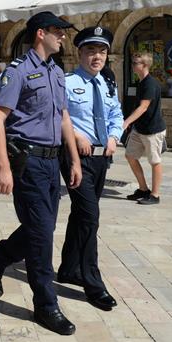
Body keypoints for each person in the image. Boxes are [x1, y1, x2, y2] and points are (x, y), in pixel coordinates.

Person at [0, 11, 82, 336]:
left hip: (53, 163)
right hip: (29, 163)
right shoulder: (19, 72)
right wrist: (3, 167)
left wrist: (74, 160)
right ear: (40, 34)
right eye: (57, 31)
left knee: (42, 227)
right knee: (41, 237)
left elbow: (63, 116)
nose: (62, 36)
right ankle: (46, 304)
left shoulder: (56, 72)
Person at [57, 27, 123, 311]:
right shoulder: (67, 82)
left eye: (102, 51)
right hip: (76, 157)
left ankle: (69, 268)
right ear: (79, 53)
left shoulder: (107, 83)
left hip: (100, 158)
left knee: (83, 215)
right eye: (91, 51)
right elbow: (59, 114)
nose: (97, 57)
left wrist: (114, 136)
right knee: (90, 216)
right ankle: (93, 282)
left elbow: (116, 113)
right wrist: (76, 136)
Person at [122, 52, 167, 204]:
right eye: (133, 62)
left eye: (136, 63)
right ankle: (143, 189)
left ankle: (155, 195)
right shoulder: (141, 82)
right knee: (130, 156)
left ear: (145, 65)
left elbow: (143, 107)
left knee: (155, 161)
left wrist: (126, 122)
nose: (133, 65)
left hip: (152, 130)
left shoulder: (150, 84)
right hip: (139, 129)